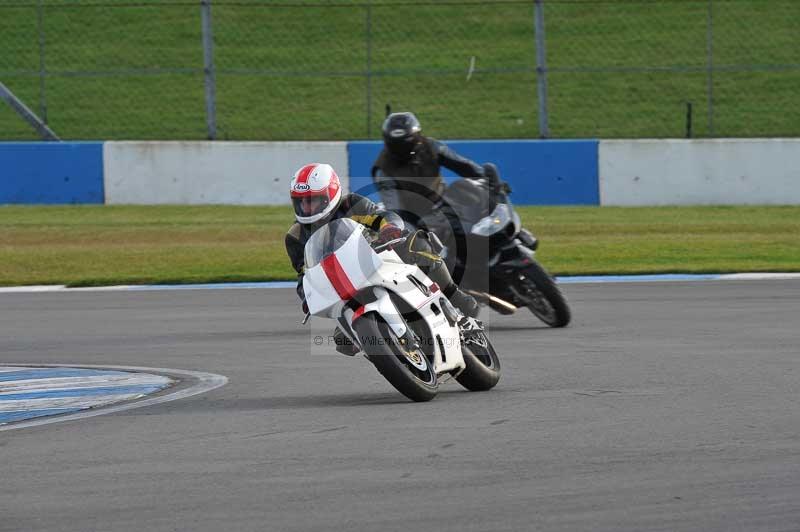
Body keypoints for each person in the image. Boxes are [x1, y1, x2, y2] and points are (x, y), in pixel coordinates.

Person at [285, 163, 479, 354]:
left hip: (378, 258)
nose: (306, 207)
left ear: (330, 195)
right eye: (301, 201)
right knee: (342, 341)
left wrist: (389, 228)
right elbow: (304, 274)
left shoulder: (351, 204)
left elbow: (382, 216)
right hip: (346, 287)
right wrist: (306, 297)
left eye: (312, 200)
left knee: (417, 243)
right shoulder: (295, 236)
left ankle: (453, 295)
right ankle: (389, 354)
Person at [371, 111, 489, 226]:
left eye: (405, 144)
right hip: (414, 219)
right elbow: (395, 210)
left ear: (416, 137)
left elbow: (464, 166)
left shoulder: (431, 147)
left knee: (465, 188)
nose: (401, 150)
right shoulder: (383, 169)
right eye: (396, 145)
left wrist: (487, 178)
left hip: (444, 205)